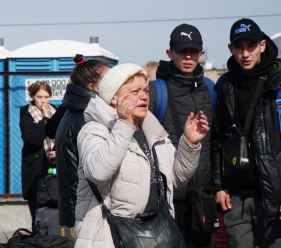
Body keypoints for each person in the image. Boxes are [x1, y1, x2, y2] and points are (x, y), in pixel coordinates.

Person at [75, 63, 209, 247]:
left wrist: (190, 143)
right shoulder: (94, 129)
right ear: (114, 98)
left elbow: (178, 178)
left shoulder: (150, 129)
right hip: (109, 237)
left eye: (145, 90)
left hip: (154, 233)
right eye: (135, 91)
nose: (144, 95)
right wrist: (124, 124)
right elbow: (97, 172)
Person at [212, 18, 281, 247]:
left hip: (273, 196)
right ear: (230, 49)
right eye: (238, 47)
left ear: (262, 44)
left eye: (250, 46)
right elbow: (217, 138)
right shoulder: (224, 84)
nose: (245, 53)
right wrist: (219, 185)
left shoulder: (278, 81)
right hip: (236, 199)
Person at [148, 23, 214, 247]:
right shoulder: (155, 91)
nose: (188, 56)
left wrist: (217, 186)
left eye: (193, 51)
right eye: (181, 50)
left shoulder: (210, 89)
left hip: (204, 197)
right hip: (168, 199)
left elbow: (216, 142)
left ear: (201, 54)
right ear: (169, 53)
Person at [55, 54, 109, 228]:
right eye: (107, 81)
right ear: (92, 87)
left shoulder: (76, 111)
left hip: (79, 206)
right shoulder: (88, 117)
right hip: (87, 210)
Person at [20, 81, 57, 230]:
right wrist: (45, 120)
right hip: (35, 169)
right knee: (37, 214)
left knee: (55, 212)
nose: (43, 100)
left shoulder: (57, 111)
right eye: (39, 96)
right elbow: (33, 140)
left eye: (46, 97)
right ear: (32, 96)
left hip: (53, 166)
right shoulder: (26, 113)